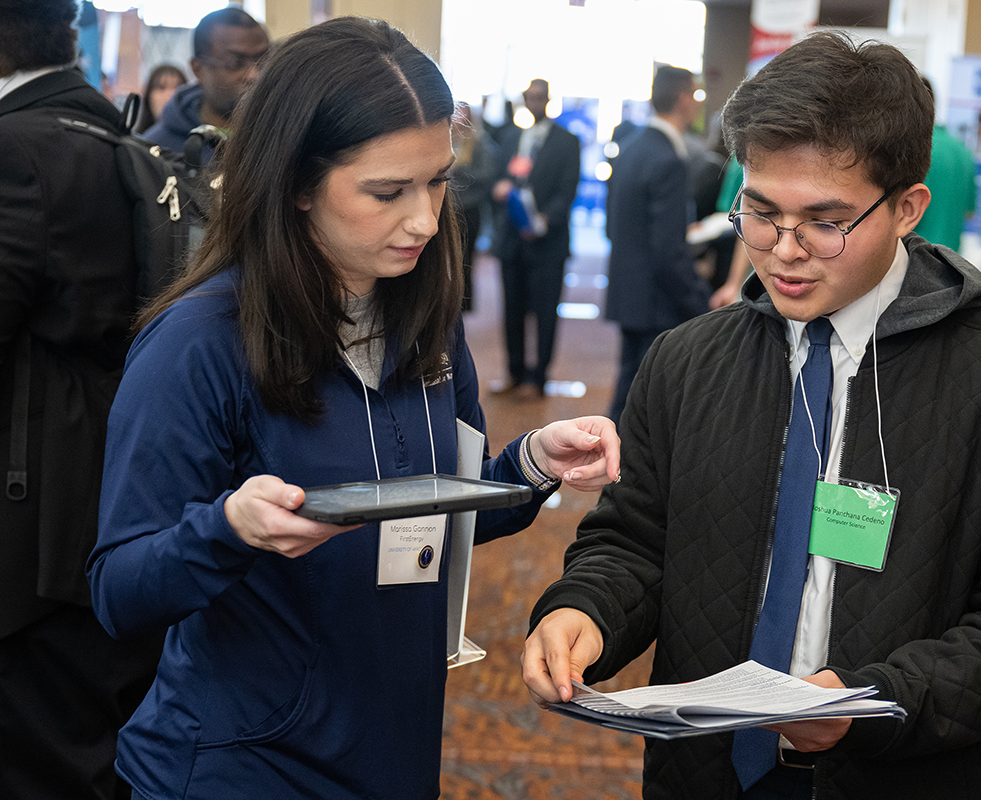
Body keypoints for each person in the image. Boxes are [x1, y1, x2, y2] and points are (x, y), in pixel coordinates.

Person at [523, 31, 981, 800]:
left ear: (906, 208)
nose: (785, 251)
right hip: (705, 771)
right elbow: (634, 539)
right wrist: (585, 609)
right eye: (760, 213)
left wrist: (872, 701)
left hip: (907, 774)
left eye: (825, 222)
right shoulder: (687, 361)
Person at [86, 18, 619, 800]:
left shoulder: (422, 316)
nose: (425, 220)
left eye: (438, 180)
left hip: (390, 743)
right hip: (242, 763)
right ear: (297, 182)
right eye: (386, 192)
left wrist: (529, 466)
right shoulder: (199, 342)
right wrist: (228, 529)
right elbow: (119, 590)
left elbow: (431, 512)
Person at [0, 1, 163, 798]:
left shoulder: (14, 151)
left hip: (30, 522)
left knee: (39, 756)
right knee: (96, 742)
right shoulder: (122, 143)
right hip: (117, 487)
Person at [604, 65, 710, 424]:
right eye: (695, 95)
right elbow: (668, 249)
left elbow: (615, 222)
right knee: (646, 402)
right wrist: (698, 299)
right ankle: (620, 474)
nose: (697, 104)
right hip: (656, 297)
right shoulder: (669, 158)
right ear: (682, 99)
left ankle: (614, 469)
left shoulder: (632, 147)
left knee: (629, 387)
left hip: (629, 287)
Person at [490, 78, 581, 399]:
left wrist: (544, 220)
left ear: (549, 100)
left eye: (540, 98)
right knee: (511, 310)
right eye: (529, 98)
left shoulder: (567, 141)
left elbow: (568, 189)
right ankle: (514, 373)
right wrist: (499, 188)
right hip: (511, 240)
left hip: (547, 242)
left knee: (544, 313)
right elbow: (497, 177)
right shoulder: (512, 136)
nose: (534, 103)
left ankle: (537, 378)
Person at [142, 6, 268, 163]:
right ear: (198, 69)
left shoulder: (281, 138)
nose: (254, 75)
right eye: (234, 62)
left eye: (264, 61)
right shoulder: (155, 151)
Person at [912, 76, 977, 252]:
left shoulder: (912, 150)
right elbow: (970, 212)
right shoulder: (962, 151)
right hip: (951, 264)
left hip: (915, 259)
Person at [450, 101, 499, 311]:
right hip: (447, 209)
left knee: (465, 259)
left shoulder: (479, 143)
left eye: (464, 115)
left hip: (469, 209)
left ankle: (463, 304)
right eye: (457, 115)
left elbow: (486, 176)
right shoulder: (445, 139)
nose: (460, 119)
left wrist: (459, 169)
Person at [132, 63, 186, 134]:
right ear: (148, 95)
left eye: (177, 88)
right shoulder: (135, 140)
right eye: (162, 87)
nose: (170, 95)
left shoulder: (196, 141)